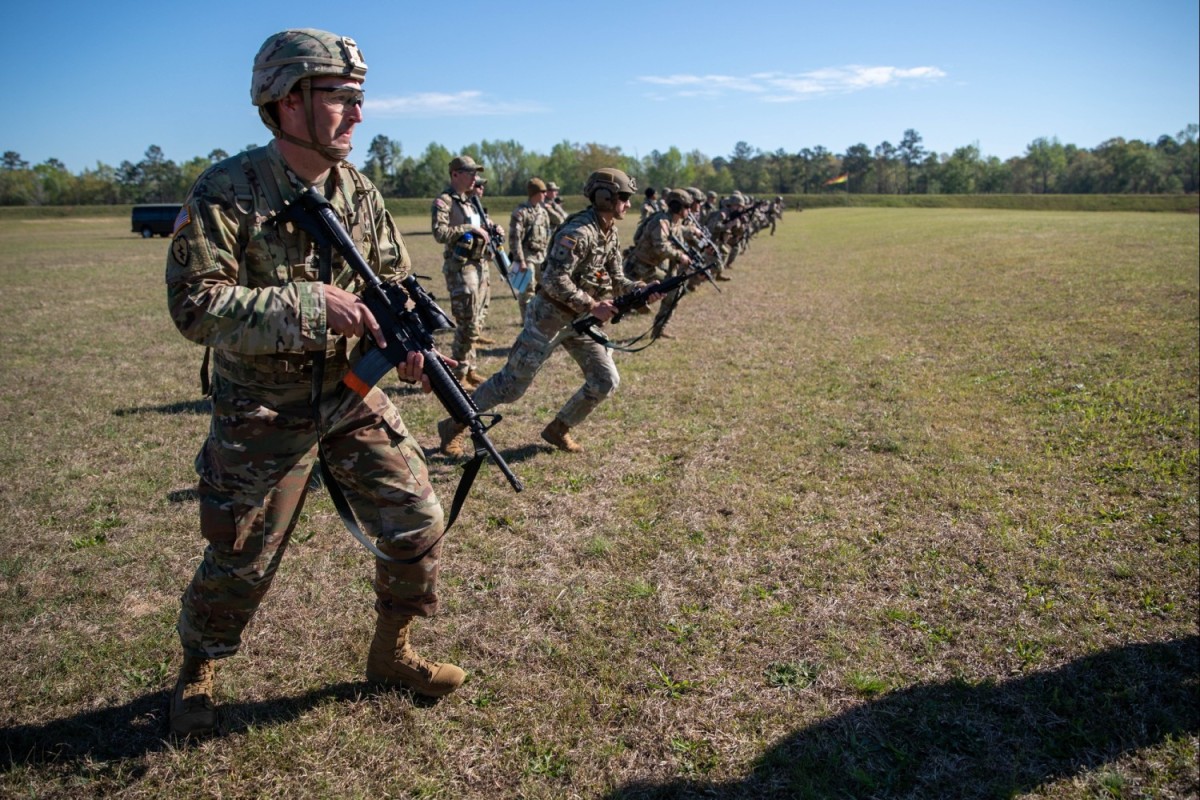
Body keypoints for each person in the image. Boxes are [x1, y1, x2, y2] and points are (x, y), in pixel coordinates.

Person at [164, 28, 465, 738]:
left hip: (351, 391)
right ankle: (197, 667)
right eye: (343, 98)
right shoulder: (227, 190)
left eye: (361, 99)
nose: (359, 115)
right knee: (241, 556)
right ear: (287, 101)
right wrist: (309, 304)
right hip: (262, 405)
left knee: (417, 521)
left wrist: (404, 339)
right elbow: (194, 306)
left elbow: (387, 276)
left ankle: (392, 652)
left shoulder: (359, 190)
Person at [438, 168, 660, 456]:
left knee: (605, 380)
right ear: (605, 197)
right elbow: (554, 279)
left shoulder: (609, 233)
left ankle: (558, 429)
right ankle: (453, 425)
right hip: (549, 318)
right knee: (510, 386)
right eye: (624, 197)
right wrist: (593, 305)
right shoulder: (579, 232)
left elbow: (617, 280)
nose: (629, 204)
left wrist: (642, 289)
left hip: (581, 320)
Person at [432, 155, 491, 388]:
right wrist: (470, 228)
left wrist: (489, 228)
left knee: (476, 320)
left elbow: (478, 228)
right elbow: (439, 233)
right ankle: (457, 374)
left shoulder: (470, 201)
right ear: (455, 174)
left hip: (479, 264)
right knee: (466, 320)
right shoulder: (445, 201)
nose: (475, 178)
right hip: (461, 267)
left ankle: (470, 369)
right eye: (471, 173)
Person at [509, 177, 553, 321]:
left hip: (541, 256)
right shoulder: (521, 212)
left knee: (545, 289)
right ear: (535, 193)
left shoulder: (543, 212)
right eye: (543, 191)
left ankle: (541, 318)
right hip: (527, 257)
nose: (546, 194)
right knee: (527, 291)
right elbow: (515, 239)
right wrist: (520, 260)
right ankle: (528, 321)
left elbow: (547, 233)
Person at [471, 174, 495, 345]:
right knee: (473, 302)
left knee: (484, 299)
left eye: (482, 186)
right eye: (478, 185)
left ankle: (477, 331)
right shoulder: (464, 207)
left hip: (483, 258)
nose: (481, 189)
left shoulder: (478, 207)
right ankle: (472, 334)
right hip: (470, 260)